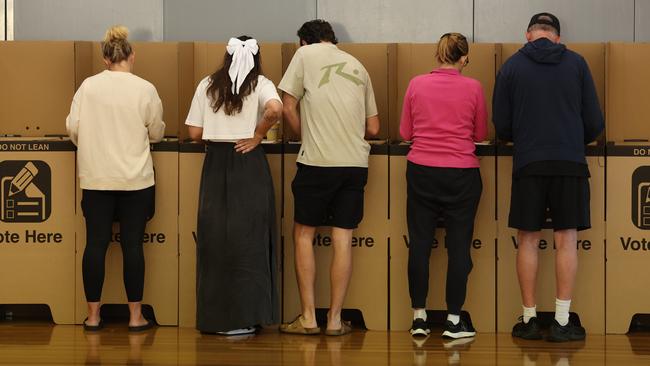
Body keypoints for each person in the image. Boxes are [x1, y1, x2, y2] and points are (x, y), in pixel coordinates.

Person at [493, 13, 604, 342]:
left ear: (528, 34)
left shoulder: (512, 67)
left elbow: (502, 124)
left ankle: (528, 320)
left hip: (528, 162)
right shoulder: (578, 64)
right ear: (557, 36)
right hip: (569, 161)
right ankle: (561, 320)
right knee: (565, 238)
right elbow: (595, 121)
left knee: (527, 238)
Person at [278, 19, 380, 336]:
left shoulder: (305, 56)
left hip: (318, 161)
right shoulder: (358, 65)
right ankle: (335, 321)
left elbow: (287, 104)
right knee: (343, 239)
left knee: (304, 235)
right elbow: (374, 128)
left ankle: (309, 318)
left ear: (304, 42)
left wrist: (303, 134)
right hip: (354, 164)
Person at [66, 25, 164, 332]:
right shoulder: (145, 88)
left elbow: (73, 129)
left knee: (95, 245)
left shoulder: (88, 87)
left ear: (105, 58)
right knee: (133, 248)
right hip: (135, 181)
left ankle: (93, 317)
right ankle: (136, 317)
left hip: (96, 180)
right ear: (132, 55)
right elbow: (157, 132)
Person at [185, 36, 282, 336]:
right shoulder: (262, 83)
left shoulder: (207, 85)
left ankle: (216, 319)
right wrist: (257, 135)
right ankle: (246, 317)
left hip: (215, 164)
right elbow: (276, 110)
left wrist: (217, 133)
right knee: (249, 239)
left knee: (215, 240)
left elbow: (193, 132)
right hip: (248, 161)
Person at [400, 33, 487, 339]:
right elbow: (479, 133)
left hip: (421, 169)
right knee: (459, 246)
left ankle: (419, 317)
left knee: (420, 244)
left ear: (438, 55)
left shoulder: (416, 84)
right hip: (462, 173)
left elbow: (405, 131)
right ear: (464, 58)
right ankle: (453, 320)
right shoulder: (473, 87)